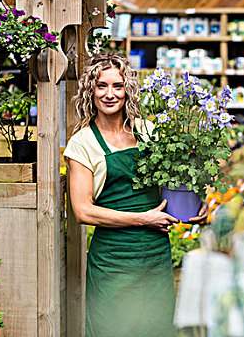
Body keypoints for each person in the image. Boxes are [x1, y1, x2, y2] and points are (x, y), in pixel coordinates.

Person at [64, 52, 205, 337]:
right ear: (90, 92)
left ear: (128, 90)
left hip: (155, 257)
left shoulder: (147, 131)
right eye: (101, 86)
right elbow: (83, 211)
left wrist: (193, 203)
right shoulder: (82, 144)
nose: (109, 94)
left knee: (156, 329)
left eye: (117, 86)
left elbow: (172, 182)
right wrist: (143, 219)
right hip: (114, 261)